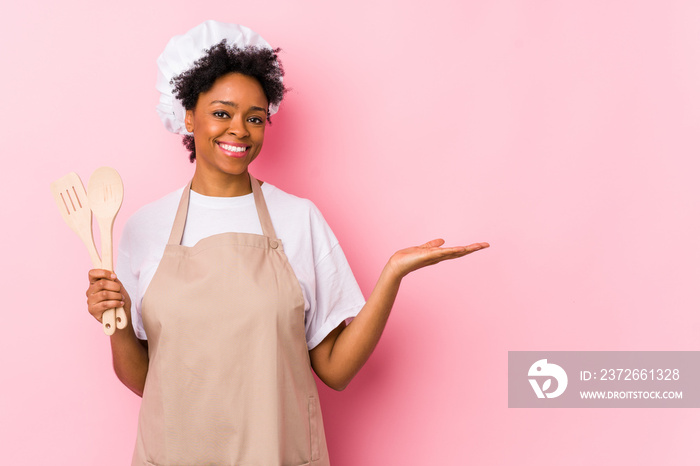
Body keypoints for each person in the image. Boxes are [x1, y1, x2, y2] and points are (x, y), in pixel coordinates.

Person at [85, 20, 489, 465]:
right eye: (222, 112)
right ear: (188, 115)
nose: (239, 129)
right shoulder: (145, 227)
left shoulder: (298, 219)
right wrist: (118, 323)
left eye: (254, 118)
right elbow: (148, 380)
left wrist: (392, 273)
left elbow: (335, 371)